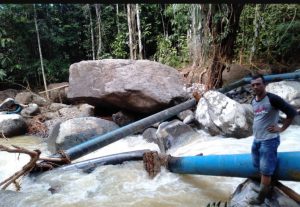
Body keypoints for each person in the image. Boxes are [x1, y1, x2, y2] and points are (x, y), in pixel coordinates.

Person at [249, 74, 297, 205]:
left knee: (265, 171)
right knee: (257, 166)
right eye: (253, 85)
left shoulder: (272, 99)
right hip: (257, 140)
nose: (255, 87)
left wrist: (281, 129)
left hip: (269, 141)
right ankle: (268, 186)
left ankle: (260, 198)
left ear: (264, 85)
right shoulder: (253, 100)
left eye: (258, 84)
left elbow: (291, 113)